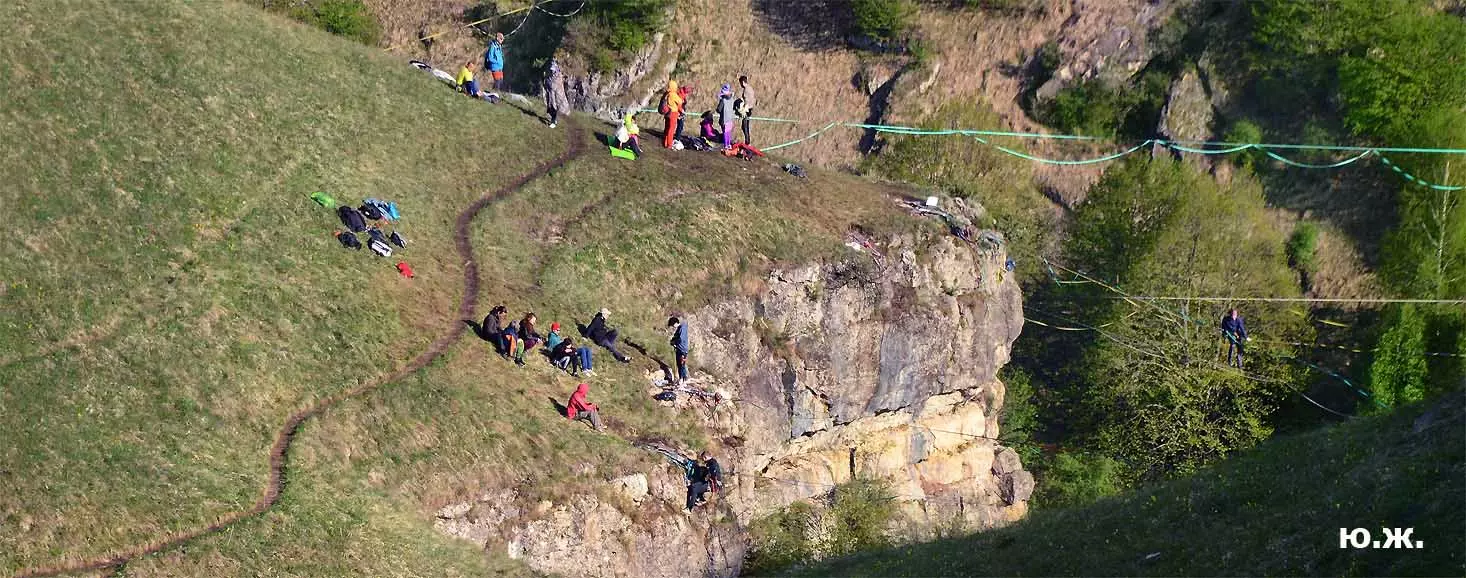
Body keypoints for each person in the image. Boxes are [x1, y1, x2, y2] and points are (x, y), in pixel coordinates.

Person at [543, 58, 569, 128]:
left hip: (557, 92)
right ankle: (553, 120)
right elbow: (548, 79)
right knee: (551, 104)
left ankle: (553, 121)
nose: (552, 72)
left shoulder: (557, 74)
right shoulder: (550, 71)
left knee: (555, 105)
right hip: (551, 92)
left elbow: (557, 82)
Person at [660, 79, 685, 149]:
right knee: (671, 129)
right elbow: (680, 101)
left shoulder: (667, 93)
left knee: (667, 128)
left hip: (667, 113)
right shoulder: (673, 94)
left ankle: (665, 142)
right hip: (673, 113)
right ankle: (669, 144)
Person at [668, 316, 690, 383]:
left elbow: (681, 339)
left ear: (675, 323)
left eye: (673, 325)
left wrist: (675, 342)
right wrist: (672, 341)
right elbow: (676, 337)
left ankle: (683, 380)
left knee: (681, 365)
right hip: (679, 349)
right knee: (679, 364)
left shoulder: (682, 328)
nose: (673, 327)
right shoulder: (679, 328)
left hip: (682, 350)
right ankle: (682, 379)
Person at [736, 74, 755, 145]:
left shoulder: (746, 90)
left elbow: (746, 101)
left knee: (745, 126)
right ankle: (747, 141)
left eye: (740, 83)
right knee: (745, 126)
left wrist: (743, 109)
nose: (740, 85)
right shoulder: (750, 88)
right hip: (750, 108)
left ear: (743, 82)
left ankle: (747, 142)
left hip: (747, 110)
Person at [716, 83, 736, 150]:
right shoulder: (732, 100)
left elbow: (719, 109)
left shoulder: (723, 100)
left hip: (724, 119)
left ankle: (726, 145)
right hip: (730, 118)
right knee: (728, 132)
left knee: (725, 132)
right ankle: (728, 144)